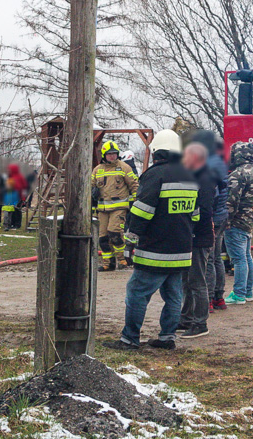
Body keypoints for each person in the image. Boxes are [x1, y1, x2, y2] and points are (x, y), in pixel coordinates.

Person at [103, 129, 198, 351]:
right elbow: (195, 215)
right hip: (181, 250)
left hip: (155, 250)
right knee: (174, 296)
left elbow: (142, 212)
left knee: (137, 293)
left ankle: (129, 339)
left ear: (156, 152)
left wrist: (130, 240)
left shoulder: (154, 175)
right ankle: (167, 338)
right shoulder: (190, 176)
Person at [179, 142, 216, 339]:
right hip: (190, 236)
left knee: (197, 281)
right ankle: (186, 318)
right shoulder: (194, 177)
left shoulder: (205, 179)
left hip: (199, 237)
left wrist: (190, 226)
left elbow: (203, 210)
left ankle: (200, 323)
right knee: (186, 280)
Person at [189, 132, 229, 311]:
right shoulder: (220, 163)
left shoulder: (209, 166)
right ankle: (219, 297)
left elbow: (212, 195)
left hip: (212, 217)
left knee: (209, 260)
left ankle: (210, 299)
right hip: (221, 215)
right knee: (217, 258)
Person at [91, 141, 139, 271]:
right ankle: (108, 263)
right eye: (109, 154)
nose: (112, 156)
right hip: (102, 209)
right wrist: (92, 193)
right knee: (103, 238)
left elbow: (134, 185)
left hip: (119, 208)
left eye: (114, 154)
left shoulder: (124, 167)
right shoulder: (97, 170)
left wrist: (135, 203)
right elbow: (90, 186)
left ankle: (122, 260)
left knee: (115, 233)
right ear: (104, 155)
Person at [224, 141, 253, 305]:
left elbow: (231, 201)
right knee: (246, 257)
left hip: (237, 221)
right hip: (250, 219)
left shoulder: (237, 174)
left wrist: (225, 221)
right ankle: (247, 292)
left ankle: (238, 294)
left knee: (238, 259)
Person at [7, 164, 28, 230]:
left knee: (17, 210)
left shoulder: (20, 177)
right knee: (11, 211)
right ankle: (12, 223)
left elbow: (24, 187)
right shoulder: (10, 176)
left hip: (19, 196)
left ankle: (17, 224)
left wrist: (23, 198)